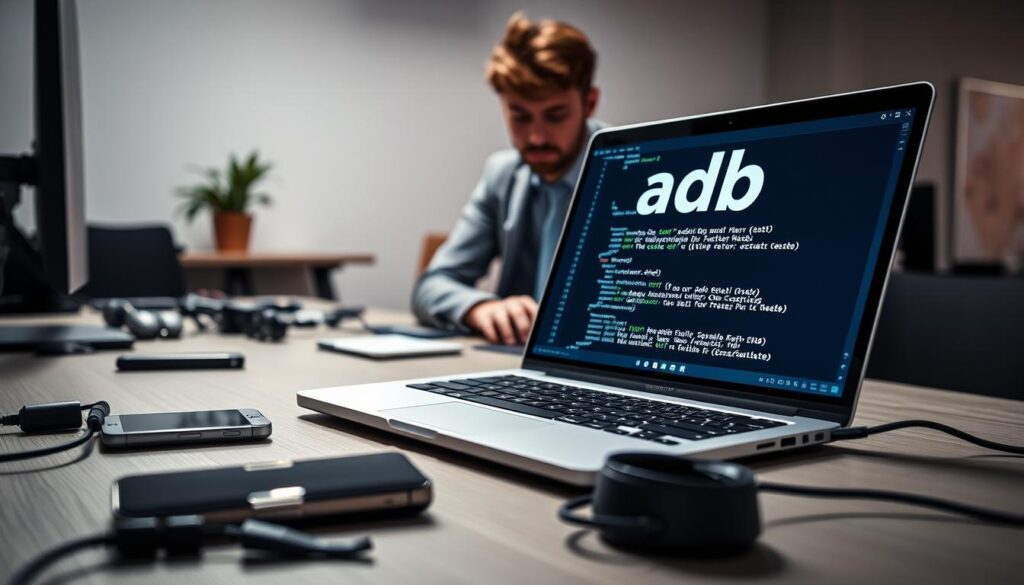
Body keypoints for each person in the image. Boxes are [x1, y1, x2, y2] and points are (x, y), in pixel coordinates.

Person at [412, 12, 605, 345]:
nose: (536, 138)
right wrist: (480, 308)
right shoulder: (502, 175)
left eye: (555, 116)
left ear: (589, 104)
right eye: (520, 117)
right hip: (516, 366)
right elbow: (431, 285)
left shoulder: (634, 170)